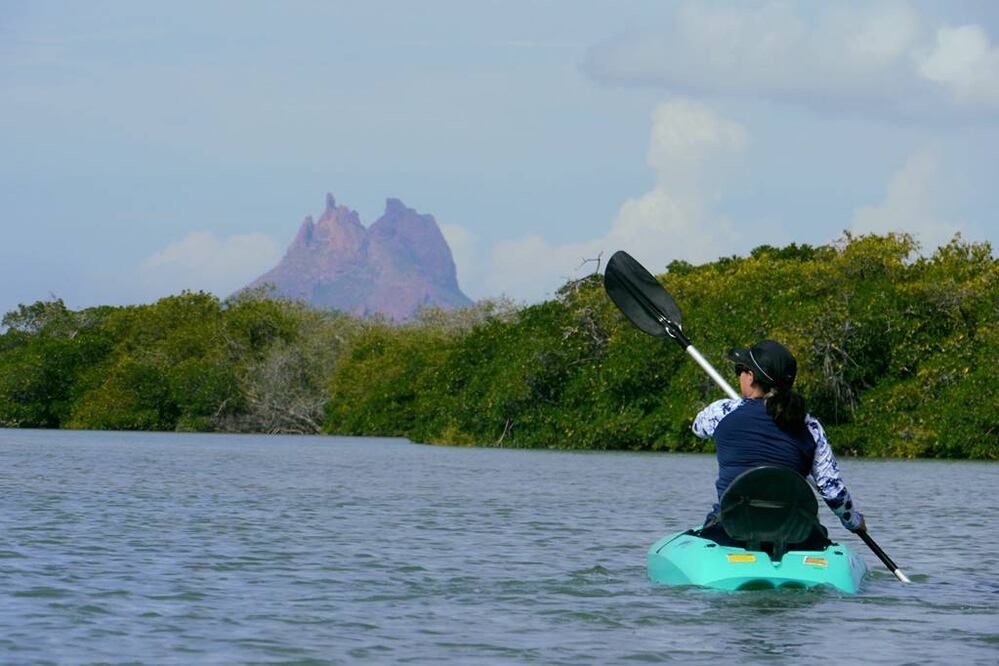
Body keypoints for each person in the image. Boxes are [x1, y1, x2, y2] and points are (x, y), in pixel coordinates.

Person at [691, 339, 866, 548]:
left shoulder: (722, 412)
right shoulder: (810, 426)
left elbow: (697, 428)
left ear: (751, 376)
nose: (739, 376)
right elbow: (833, 491)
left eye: (741, 370)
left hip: (731, 532)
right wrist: (854, 522)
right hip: (795, 536)